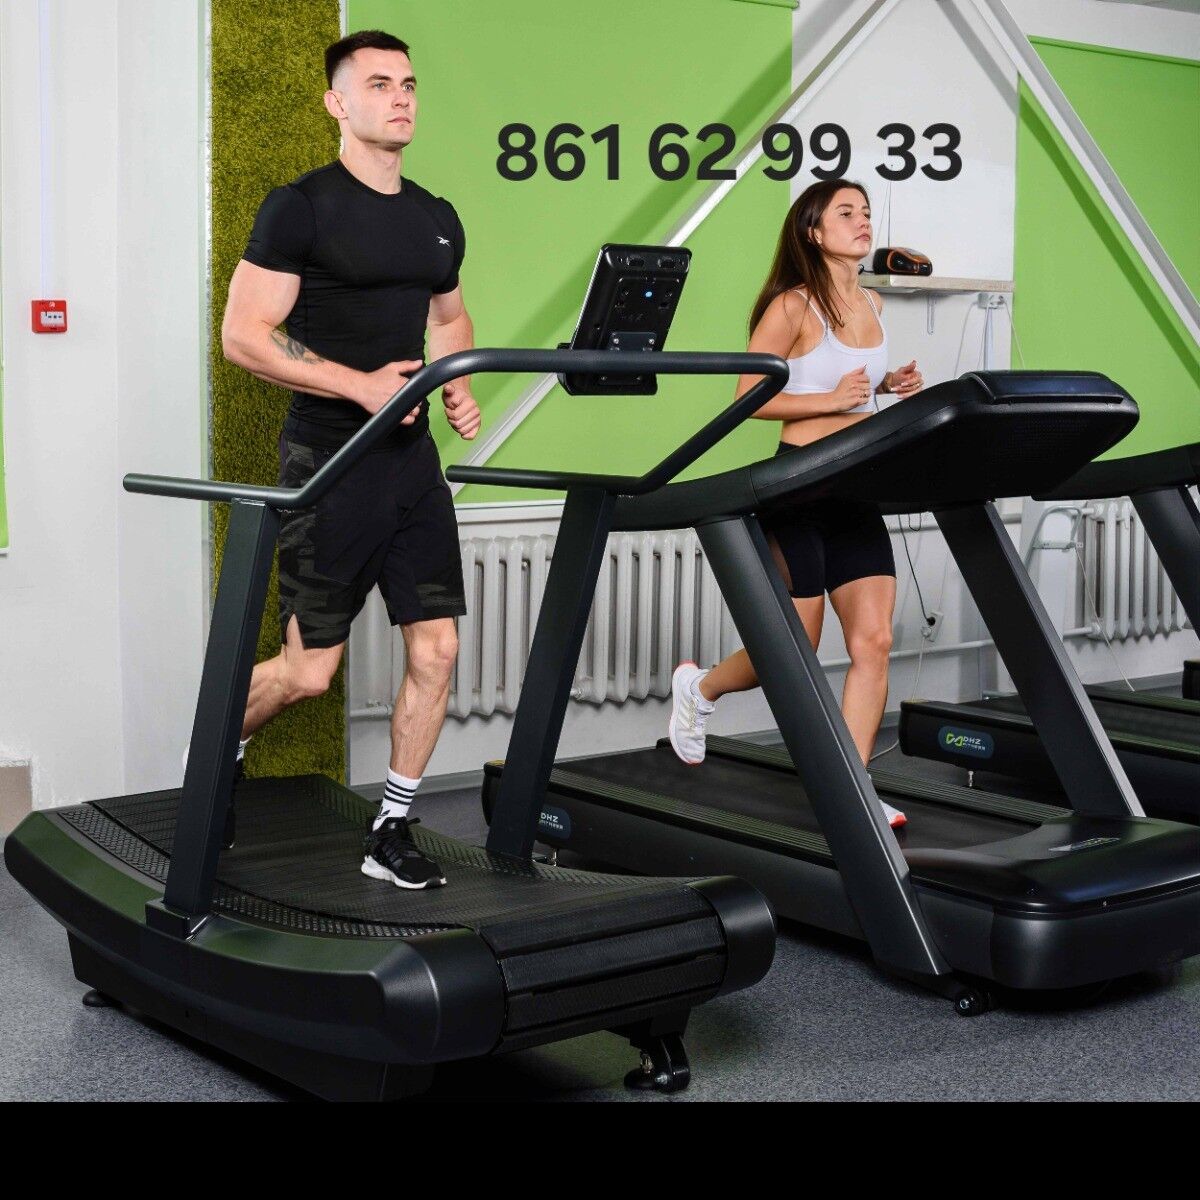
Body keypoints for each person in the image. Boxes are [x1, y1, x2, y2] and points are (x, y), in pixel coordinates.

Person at [219, 30, 481, 888]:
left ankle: (391, 829)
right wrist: (359, 386)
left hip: (411, 465)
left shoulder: (436, 217)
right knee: (308, 672)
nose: (400, 97)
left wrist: (454, 384)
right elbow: (243, 335)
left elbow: (449, 319)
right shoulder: (301, 207)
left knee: (436, 650)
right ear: (337, 102)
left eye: (408, 83)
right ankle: (216, 750)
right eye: (378, 84)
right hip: (329, 460)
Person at [668, 179, 923, 829]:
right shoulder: (792, 306)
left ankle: (853, 792)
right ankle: (699, 688)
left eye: (866, 212)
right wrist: (831, 400)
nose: (862, 221)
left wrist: (889, 386)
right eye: (846, 212)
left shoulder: (871, 302)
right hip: (797, 487)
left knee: (875, 640)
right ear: (813, 231)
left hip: (855, 487)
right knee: (793, 649)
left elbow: (854, 389)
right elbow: (747, 397)